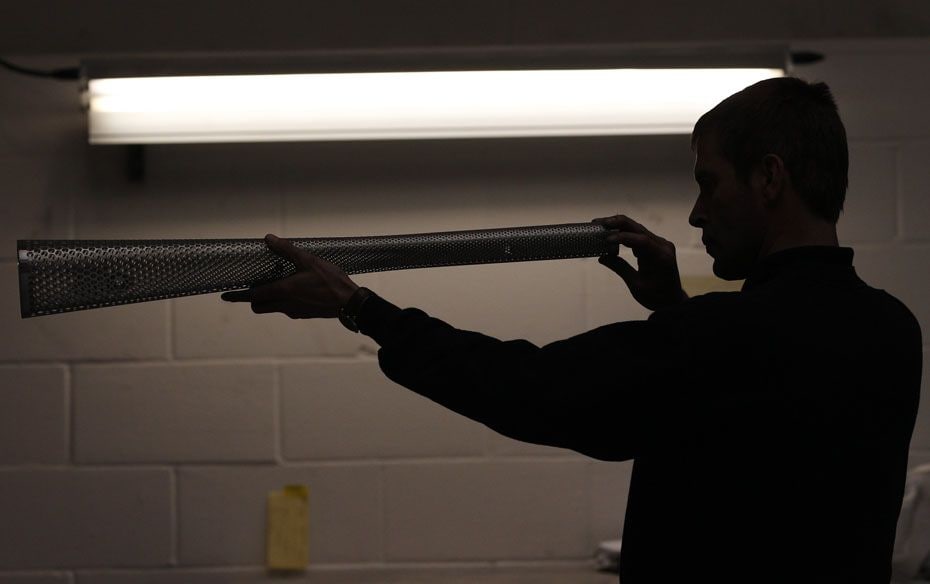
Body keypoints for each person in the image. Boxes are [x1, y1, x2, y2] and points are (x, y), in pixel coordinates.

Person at [222, 77, 922, 583]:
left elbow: (534, 389)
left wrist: (361, 308)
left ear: (770, 178)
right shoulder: (892, 332)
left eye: (709, 183)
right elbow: (745, 427)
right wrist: (676, 309)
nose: (695, 215)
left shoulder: (726, 337)